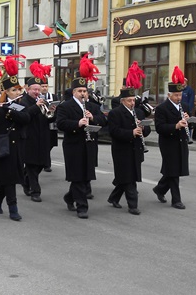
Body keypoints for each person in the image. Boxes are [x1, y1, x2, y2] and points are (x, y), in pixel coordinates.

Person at [56, 76, 105, 219]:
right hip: (73, 146)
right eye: (79, 91)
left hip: (89, 145)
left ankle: (70, 198)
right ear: (73, 92)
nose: (83, 94)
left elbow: (104, 120)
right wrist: (77, 123)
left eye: (85, 91)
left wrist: (93, 118)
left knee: (85, 177)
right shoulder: (65, 106)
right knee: (77, 177)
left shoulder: (93, 107)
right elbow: (61, 123)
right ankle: (82, 207)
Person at [0, 67, 30, 221]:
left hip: (16, 146)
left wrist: (10, 111)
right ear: (6, 92)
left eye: (18, 90)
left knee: (10, 178)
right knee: (9, 178)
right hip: (1, 146)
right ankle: (13, 208)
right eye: (13, 90)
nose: (17, 93)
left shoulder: (19, 105)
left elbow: (25, 119)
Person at [107, 86, 151, 215]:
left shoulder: (139, 112)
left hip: (136, 149)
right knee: (129, 178)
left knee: (126, 176)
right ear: (122, 101)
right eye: (129, 101)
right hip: (121, 150)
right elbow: (114, 132)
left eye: (133, 100)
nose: (132, 103)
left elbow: (147, 131)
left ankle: (113, 198)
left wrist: (142, 128)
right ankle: (133, 205)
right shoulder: (115, 113)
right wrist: (131, 132)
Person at [153, 67, 190, 209]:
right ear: (169, 95)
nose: (178, 98)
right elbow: (160, 128)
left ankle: (160, 189)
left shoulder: (184, 106)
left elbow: (189, 124)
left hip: (181, 141)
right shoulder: (162, 108)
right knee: (174, 172)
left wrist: (188, 121)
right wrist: (176, 126)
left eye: (180, 95)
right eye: (176, 95)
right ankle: (176, 200)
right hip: (168, 143)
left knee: (175, 169)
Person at [19, 73, 52, 203]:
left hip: (43, 136)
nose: (37, 92)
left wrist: (53, 112)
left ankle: (25, 180)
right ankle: (35, 191)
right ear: (28, 89)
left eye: (39, 90)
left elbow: (48, 119)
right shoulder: (23, 100)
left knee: (41, 164)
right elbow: (25, 115)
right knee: (32, 165)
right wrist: (37, 106)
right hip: (30, 137)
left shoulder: (43, 101)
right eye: (34, 90)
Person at [180, 79, 195, 143]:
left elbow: (191, 101)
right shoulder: (179, 89)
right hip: (180, 108)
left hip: (187, 109)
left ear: (186, 82)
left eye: (183, 81)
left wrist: (189, 109)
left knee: (189, 124)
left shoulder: (189, 90)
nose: (182, 83)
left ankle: (189, 137)